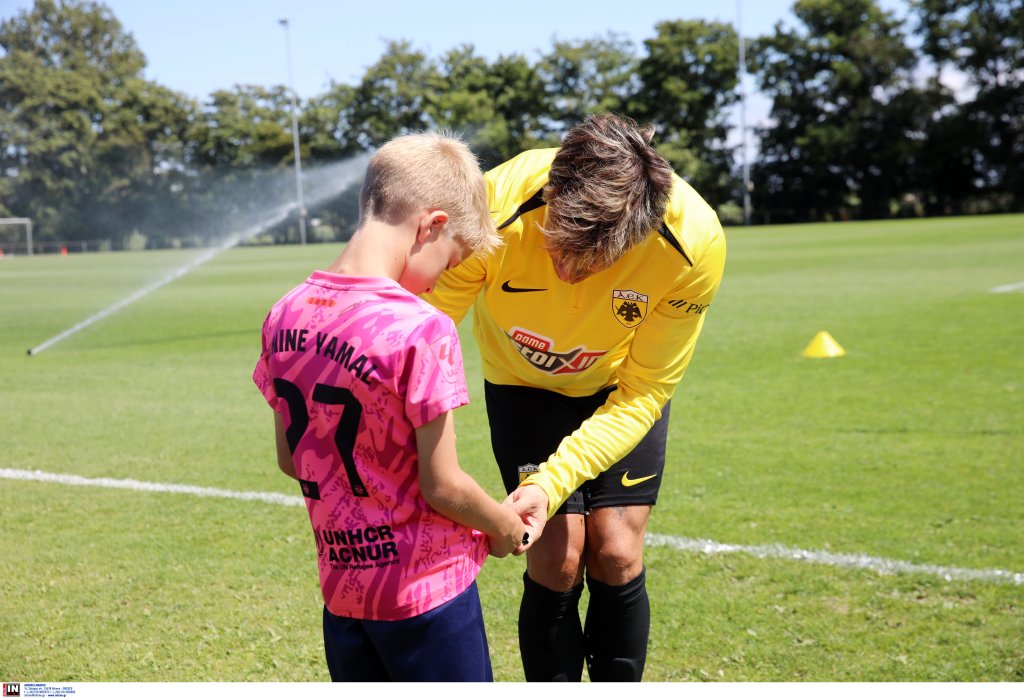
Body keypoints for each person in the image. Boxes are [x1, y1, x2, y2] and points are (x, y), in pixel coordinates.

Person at [424, 113, 727, 681]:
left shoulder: (694, 242)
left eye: (595, 262)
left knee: (616, 551)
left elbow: (644, 390)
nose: (568, 272)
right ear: (551, 196)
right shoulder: (493, 204)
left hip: (618, 393)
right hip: (522, 387)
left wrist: (551, 482)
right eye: (559, 247)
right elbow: (423, 330)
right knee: (557, 557)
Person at [252, 131, 527, 682]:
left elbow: (291, 459)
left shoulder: (284, 313)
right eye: (449, 264)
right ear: (432, 226)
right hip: (428, 596)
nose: (438, 283)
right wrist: (505, 527)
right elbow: (442, 485)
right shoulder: (422, 327)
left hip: (344, 595)